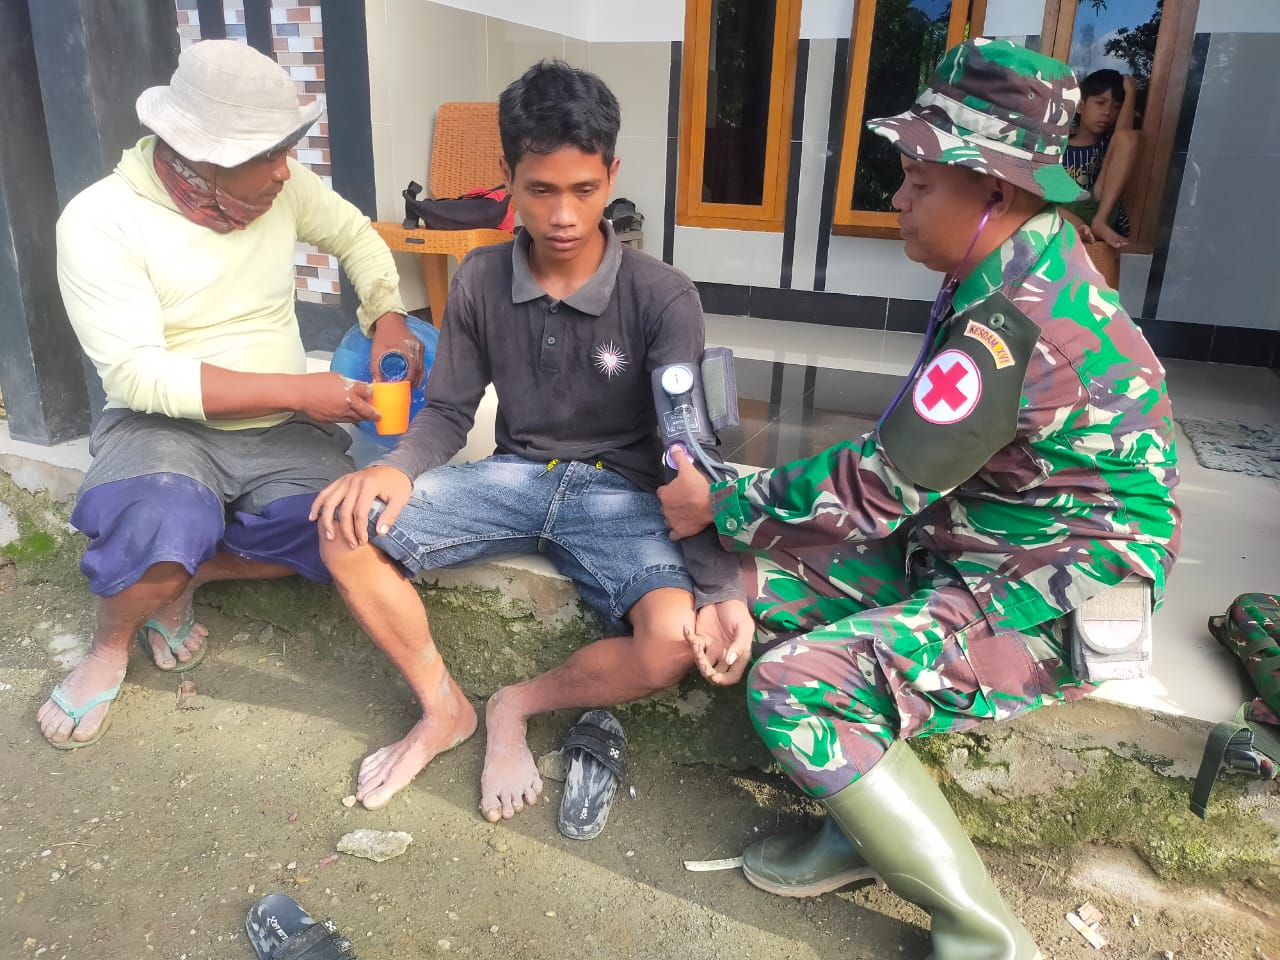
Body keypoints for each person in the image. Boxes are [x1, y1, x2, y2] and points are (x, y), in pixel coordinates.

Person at [657, 39, 1180, 959]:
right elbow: (907, 460)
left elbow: (875, 485)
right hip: (988, 546)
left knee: (795, 684)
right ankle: (865, 829)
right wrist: (746, 510)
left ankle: (986, 940)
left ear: (996, 192)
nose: (897, 198)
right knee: (767, 588)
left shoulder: (1015, 320)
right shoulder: (1011, 267)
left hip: (1063, 590)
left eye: (917, 180)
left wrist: (722, 503)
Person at [309, 60, 750, 817]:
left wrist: (717, 587)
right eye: (540, 190)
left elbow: (687, 450)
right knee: (342, 527)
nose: (564, 215)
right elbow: (450, 410)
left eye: (584, 189)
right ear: (507, 177)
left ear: (612, 175)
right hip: (512, 480)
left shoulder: (662, 295)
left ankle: (515, 703)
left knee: (672, 643)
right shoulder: (480, 278)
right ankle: (443, 708)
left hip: (623, 497)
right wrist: (398, 468)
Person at [39, 40, 418, 749]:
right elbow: (139, 374)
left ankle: (191, 570)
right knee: (160, 511)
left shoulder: (281, 188)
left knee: (356, 527)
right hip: (161, 428)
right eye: (267, 154)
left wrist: (388, 317)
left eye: (287, 149)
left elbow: (357, 237)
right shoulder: (101, 219)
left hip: (284, 431)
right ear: (199, 156)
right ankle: (108, 646)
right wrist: (301, 391)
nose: (285, 170)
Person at [1060, 68, 1139, 286]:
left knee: (1129, 139)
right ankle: (1079, 229)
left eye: (1116, 107)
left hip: (1097, 206)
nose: (1107, 112)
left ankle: (1098, 223)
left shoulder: (1107, 144)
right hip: (1063, 210)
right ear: (1081, 107)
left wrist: (1131, 93)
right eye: (1100, 103)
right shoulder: (1059, 145)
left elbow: (1123, 135)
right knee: (1042, 202)